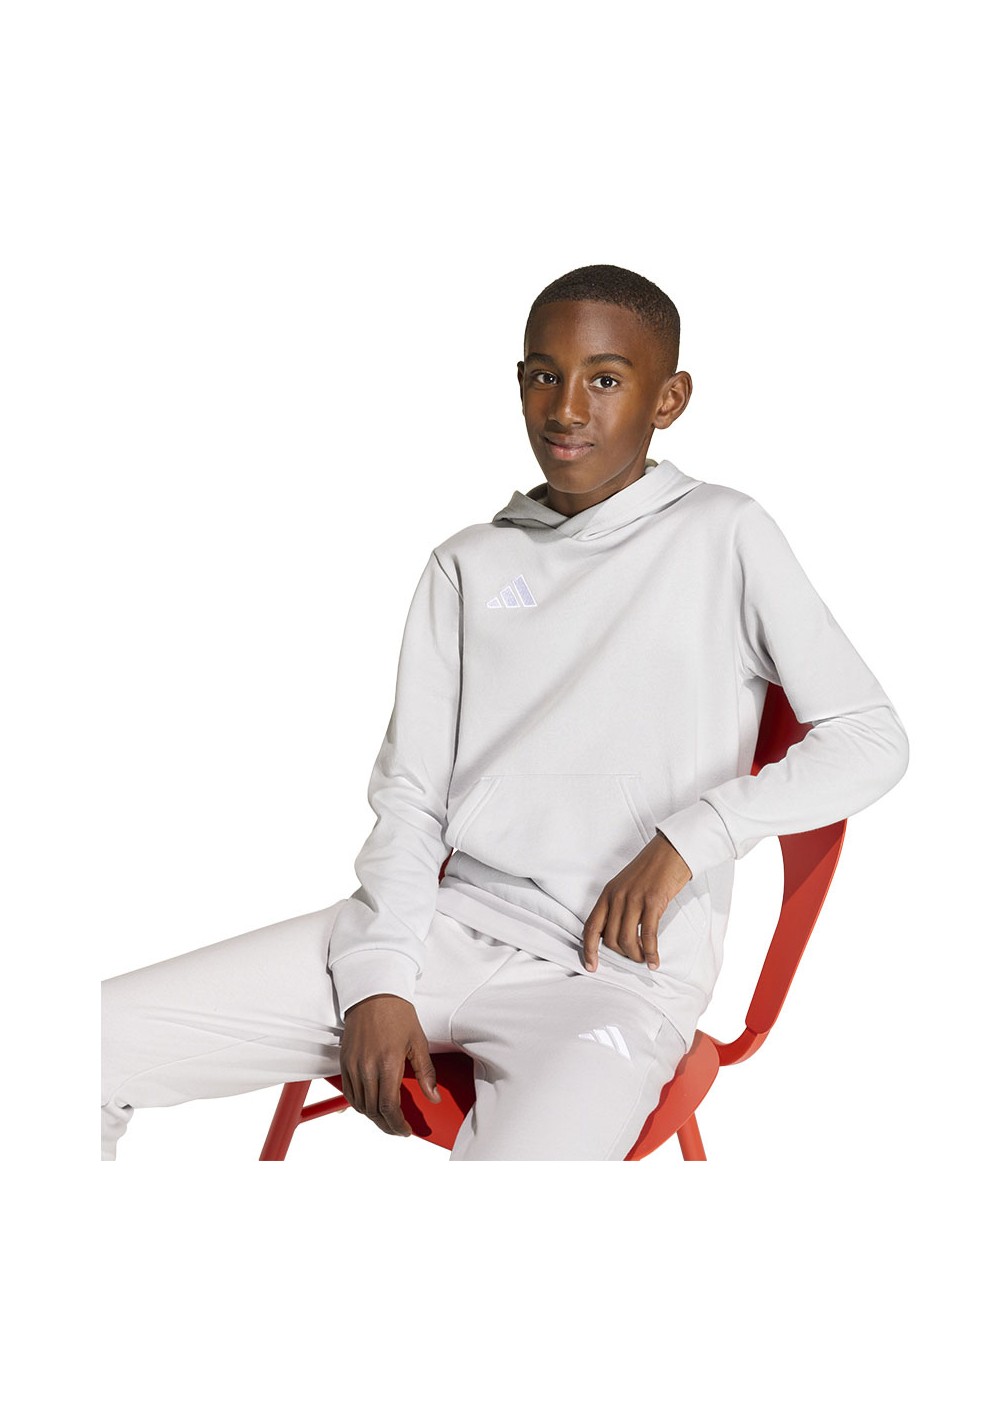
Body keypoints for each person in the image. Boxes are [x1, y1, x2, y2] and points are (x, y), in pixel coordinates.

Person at [101, 264, 909, 1161]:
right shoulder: (469, 564)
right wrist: (378, 977)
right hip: (436, 929)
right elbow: (412, 797)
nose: (566, 409)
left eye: (606, 379)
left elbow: (870, 740)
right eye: (543, 375)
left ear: (669, 398)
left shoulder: (724, 533)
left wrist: (693, 836)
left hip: (614, 981)